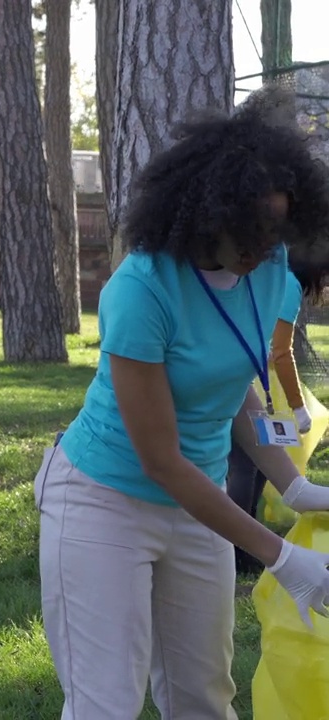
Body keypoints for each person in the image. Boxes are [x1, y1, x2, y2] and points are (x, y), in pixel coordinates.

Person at [35, 92, 329, 719]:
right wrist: (282, 557)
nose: (261, 248)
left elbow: (231, 388)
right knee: (104, 703)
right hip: (104, 500)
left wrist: (294, 484)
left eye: (276, 230)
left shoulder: (270, 269)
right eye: (249, 230)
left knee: (203, 698)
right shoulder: (142, 289)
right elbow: (162, 461)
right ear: (206, 211)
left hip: (199, 511)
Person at [227, 260, 326, 572]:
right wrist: (298, 407)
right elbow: (282, 352)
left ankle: (243, 543)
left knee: (258, 468)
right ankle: (235, 548)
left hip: (252, 381)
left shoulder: (275, 276)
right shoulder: (289, 284)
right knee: (246, 466)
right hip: (250, 387)